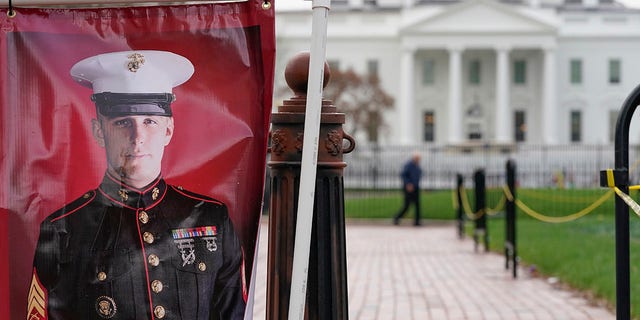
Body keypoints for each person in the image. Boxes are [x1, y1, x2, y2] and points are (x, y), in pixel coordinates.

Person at [26, 50, 246, 320]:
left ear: (168, 131)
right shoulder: (63, 228)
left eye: (150, 122)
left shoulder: (212, 217)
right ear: (98, 131)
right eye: (122, 123)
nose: (137, 137)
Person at [393, 152, 423, 226]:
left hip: (415, 187)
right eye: (417, 158)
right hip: (409, 188)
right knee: (407, 205)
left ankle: (417, 221)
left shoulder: (417, 166)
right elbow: (403, 175)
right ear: (414, 158)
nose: (418, 160)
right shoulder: (408, 165)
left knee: (417, 205)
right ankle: (396, 218)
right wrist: (408, 184)